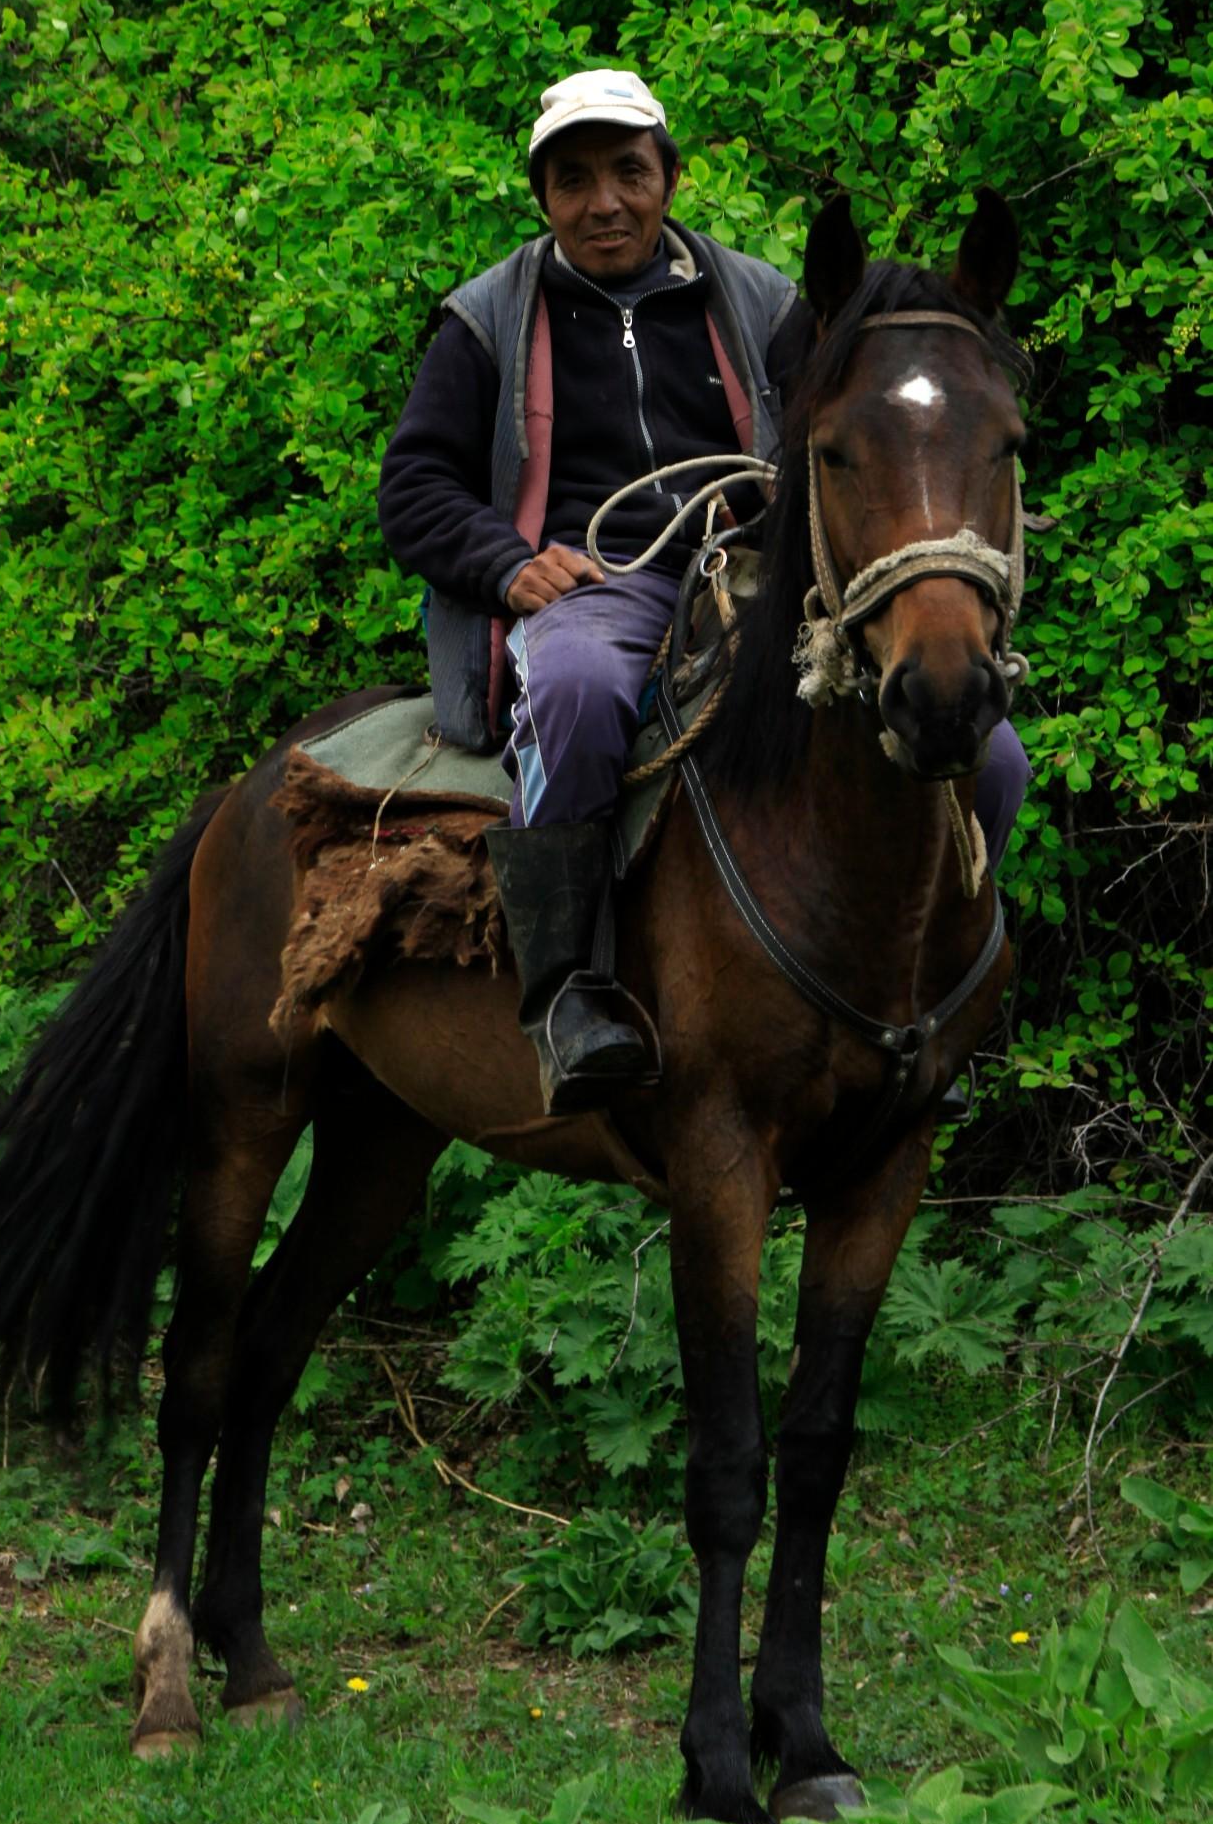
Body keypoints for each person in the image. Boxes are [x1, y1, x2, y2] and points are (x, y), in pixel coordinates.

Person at [379, 69, 1028, 1113]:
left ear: (668, 179)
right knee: (580, 691)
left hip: (751, 578)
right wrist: (508, 563)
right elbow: (413, 484)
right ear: (543, 197)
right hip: (593, 584)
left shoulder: (761, 301)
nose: (605, 202)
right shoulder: (488, 317)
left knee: (997, 758)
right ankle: (568, 990)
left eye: (628, 173)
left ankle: (925, 1002)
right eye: (574, 179)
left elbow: (868, 419)